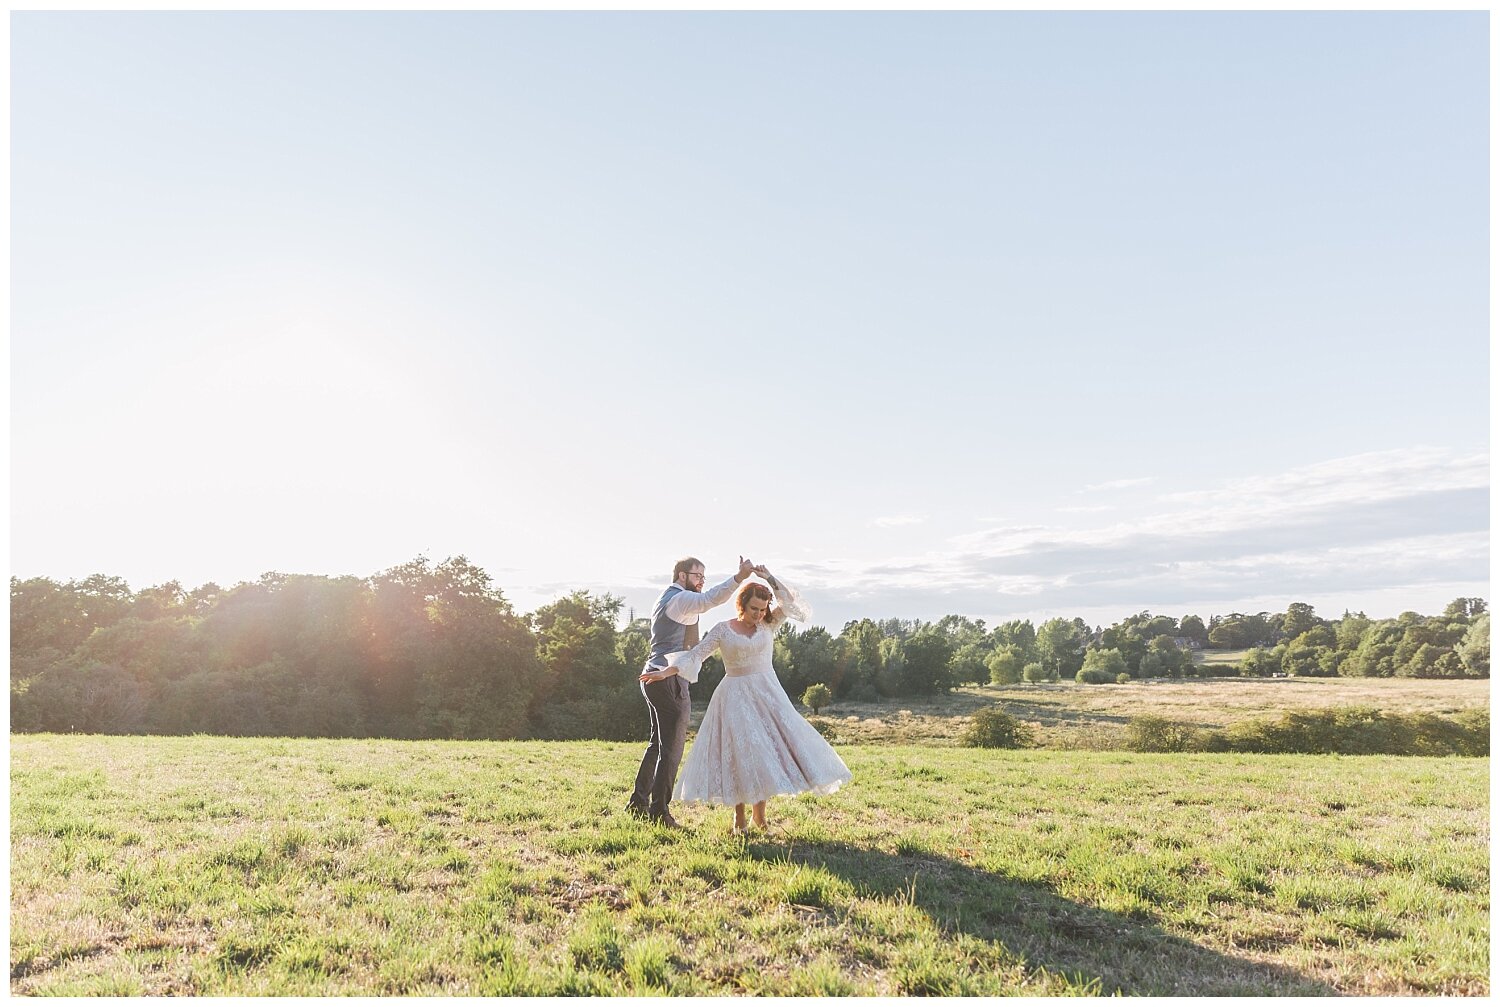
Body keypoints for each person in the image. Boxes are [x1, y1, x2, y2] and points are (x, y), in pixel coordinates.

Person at [641, 565, 851, 834]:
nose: (760, 614)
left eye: (763, 609)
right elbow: (697, 654)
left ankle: (760, 817)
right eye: (754, 608)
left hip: (768, 694)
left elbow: (793, 604)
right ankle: (739, 819)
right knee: (742, 755)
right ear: (742, 605)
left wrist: (769, 578)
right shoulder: (723, 629)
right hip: (734, 696)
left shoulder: (769, 624)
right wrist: (668, 671)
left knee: (765, 752)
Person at [627, 554, 755, 828]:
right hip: (666, 678)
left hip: (657, 675)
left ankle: (638, 803)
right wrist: (740, 578)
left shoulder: (670, 599)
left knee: (657, 745)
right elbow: (709, 600)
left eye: (703, 577)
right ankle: (659, 813)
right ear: (682, 576)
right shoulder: (680, 598)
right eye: (697, 576)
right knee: (671, 750)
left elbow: (694, 635)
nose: (701, 582)